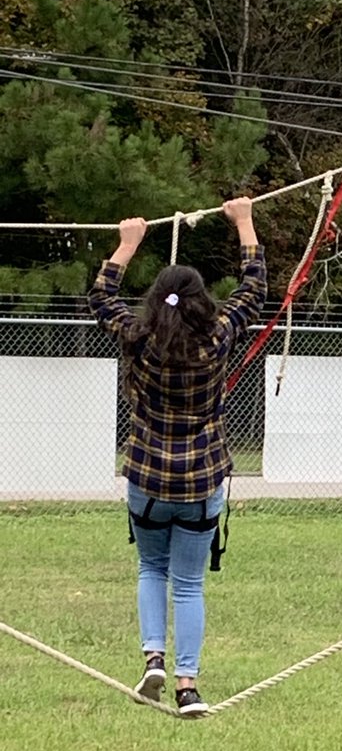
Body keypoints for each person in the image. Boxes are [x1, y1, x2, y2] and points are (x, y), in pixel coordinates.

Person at [88, 198, 267, 715]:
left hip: (147, 479)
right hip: (201, 483)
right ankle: (187, 685)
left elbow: (101, 297)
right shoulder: (217, 337)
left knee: (151, 569)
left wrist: (127, 244)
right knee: (188, 584)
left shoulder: (136, 337)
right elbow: (253, 290)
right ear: (200, 300)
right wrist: (244, 222)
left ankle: (153, 661)